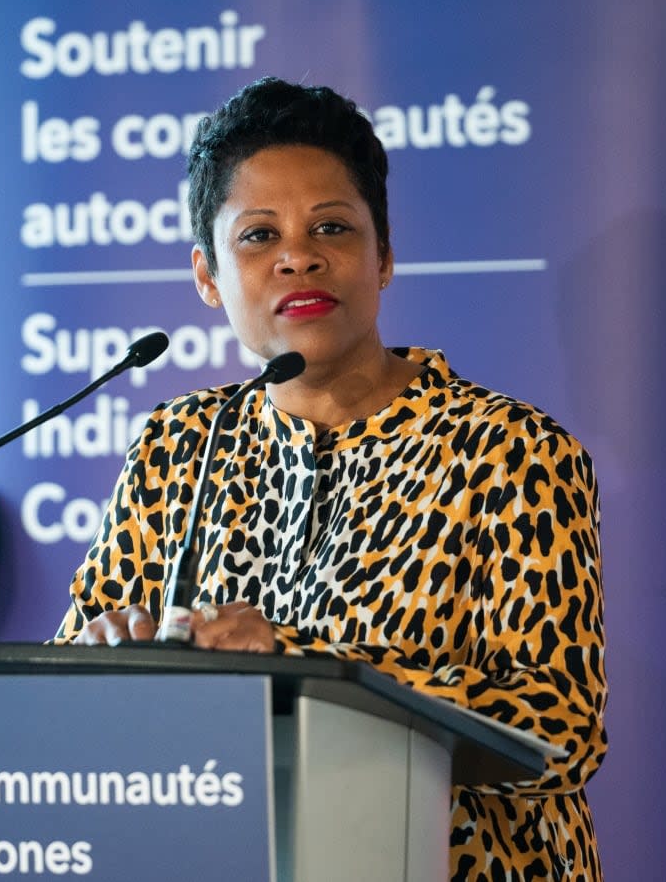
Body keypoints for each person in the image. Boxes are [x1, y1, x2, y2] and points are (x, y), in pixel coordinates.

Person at [54, 77, 607, 881]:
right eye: (257, 236)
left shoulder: (510, 451)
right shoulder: (178, 446)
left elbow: (562, 727)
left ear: (384, 256)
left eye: (332, 227)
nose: (297, 255)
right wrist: (107, 655)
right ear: (207, 276)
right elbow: (74, 672)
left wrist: (294, 660)